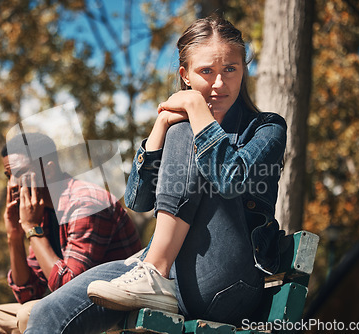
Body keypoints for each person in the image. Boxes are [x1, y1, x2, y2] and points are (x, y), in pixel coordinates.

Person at [24, 15, 287, 334]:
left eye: (230, 69)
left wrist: (196, 112)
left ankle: (154, 269)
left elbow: (230, 179)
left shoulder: (267, 128)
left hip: (229, 283)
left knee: (185, 131)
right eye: (207, 71)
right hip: (165, 276)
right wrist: (160, 128)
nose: (219, 84)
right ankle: (153, 269)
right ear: (185, 75)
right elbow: (138, 199)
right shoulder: (179, 130)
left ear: (243, 71)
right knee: (47, 315)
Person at [0, 133, 142, 334]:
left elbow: (69, 290)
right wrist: (14, 236)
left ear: (48, 170)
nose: (13, 184)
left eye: (21, 172)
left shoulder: (86, 202)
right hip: (69, 308)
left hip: (111, 308)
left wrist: (32, 229)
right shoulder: (41, 210)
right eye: (9, 175)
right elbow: (28, 293)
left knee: (29, 314)